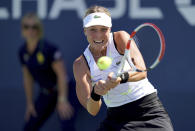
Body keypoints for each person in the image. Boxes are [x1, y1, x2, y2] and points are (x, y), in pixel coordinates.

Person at [73, 5, 174, 131]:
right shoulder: (80, 65)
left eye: (103, 29)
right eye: (93, 29)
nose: (98, 35)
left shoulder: (120, 38)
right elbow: (92, 110)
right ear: (85, 30)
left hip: (148, 111)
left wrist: (120, 78)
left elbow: (141, 71)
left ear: (110, 29)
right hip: (116, 119)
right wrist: (96, 93)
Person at [18, 13, 77, 131]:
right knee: (29, 126)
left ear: (39, 29)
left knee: (67, 125)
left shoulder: (49, 49)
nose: (30, 30)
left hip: (65, 90)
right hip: (46, 93)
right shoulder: (22, 52)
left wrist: (62, 100)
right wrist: (30, 103)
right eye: (26, 27)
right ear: (22, 29)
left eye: (34, 27)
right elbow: (28, 78)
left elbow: (61, 75)